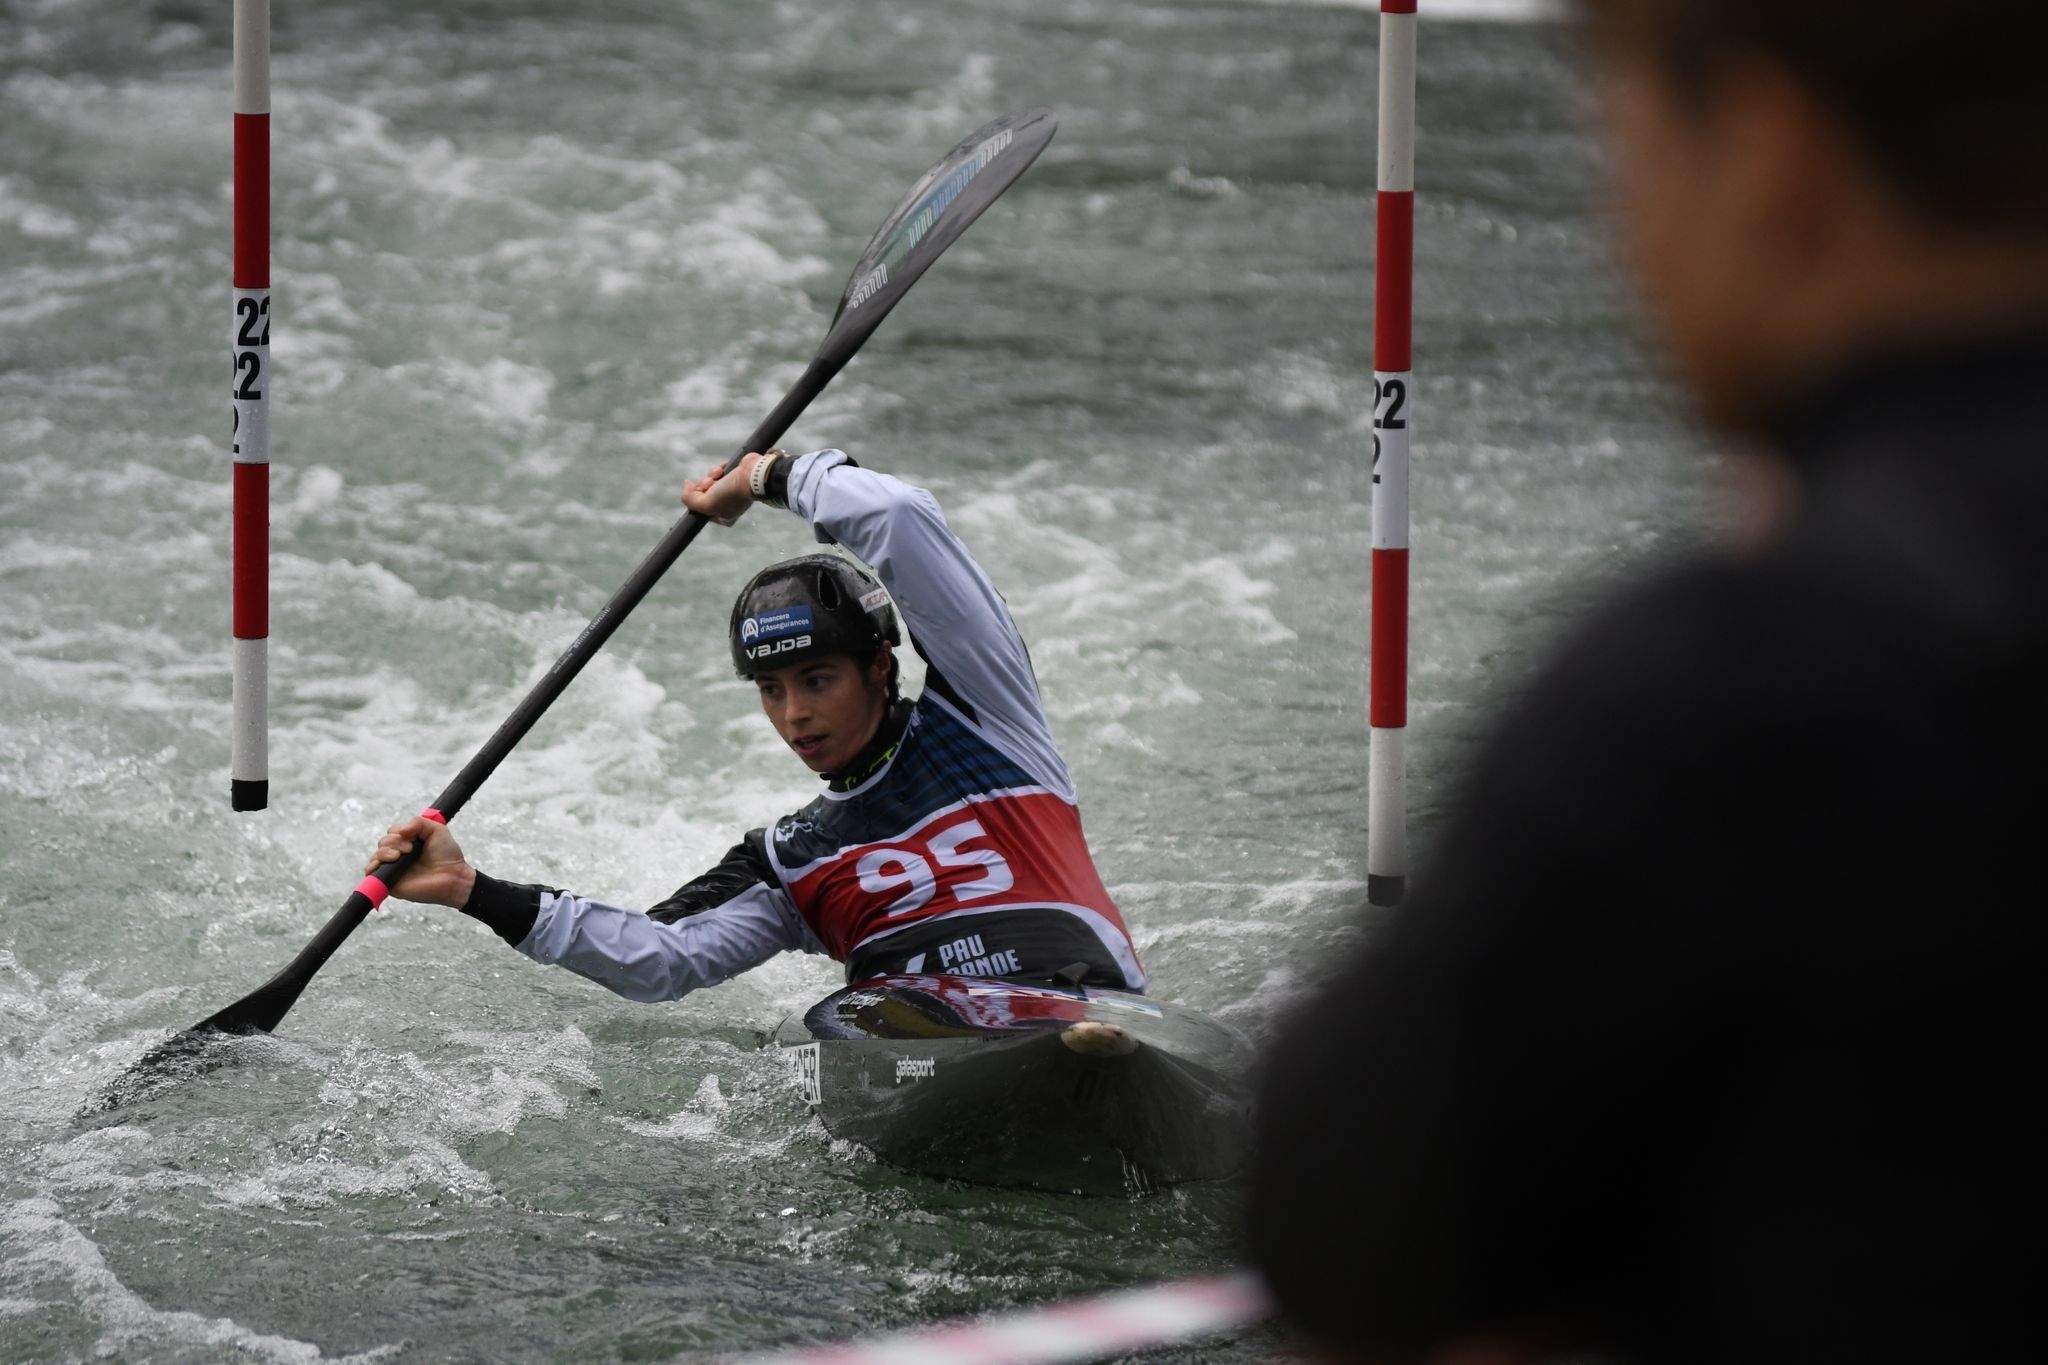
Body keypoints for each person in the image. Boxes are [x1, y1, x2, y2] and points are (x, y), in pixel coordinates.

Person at [1249, 2, 2048, 1362]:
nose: (1627, 228)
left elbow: (1350, 1215)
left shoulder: (1757, 683)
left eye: (1618, 147)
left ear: (1767, 148)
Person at [364, 447, 1144, 1003]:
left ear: (878, 667)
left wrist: (765, 478)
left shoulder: (989, 720)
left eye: (816, 679)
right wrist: (474, 889)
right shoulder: (790, 860)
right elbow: (661, 957)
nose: (794, 714)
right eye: (770, 689)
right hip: (921, 1038)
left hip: (1084, 1000)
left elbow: (899, 517)